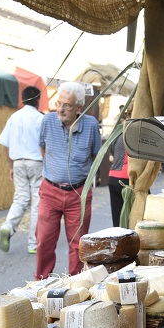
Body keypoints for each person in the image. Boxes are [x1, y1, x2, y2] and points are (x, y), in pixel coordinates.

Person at [36, 81, 103, 279]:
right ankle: (41, 282)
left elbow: (96, 156)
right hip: (50, 191)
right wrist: (56, 171)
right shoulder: (48, 121)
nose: (61, 109)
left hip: (79, 194)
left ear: (79, 108)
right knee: (44, 242)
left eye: (67, 105)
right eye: (59, 103)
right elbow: (43, 148)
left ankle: (75, 284)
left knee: (78, 244)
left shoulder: (90, 125)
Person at [0, 85, 44, 254]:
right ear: (38, 100)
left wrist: (10, 166)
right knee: (37, 203)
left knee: (20, 199)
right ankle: (33, 244)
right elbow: (44, 145)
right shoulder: (40, 119)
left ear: (22, 100)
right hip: (36, 163)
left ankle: (8, 228)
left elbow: (5, 144)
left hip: (17, 162)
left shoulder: (13, 118)